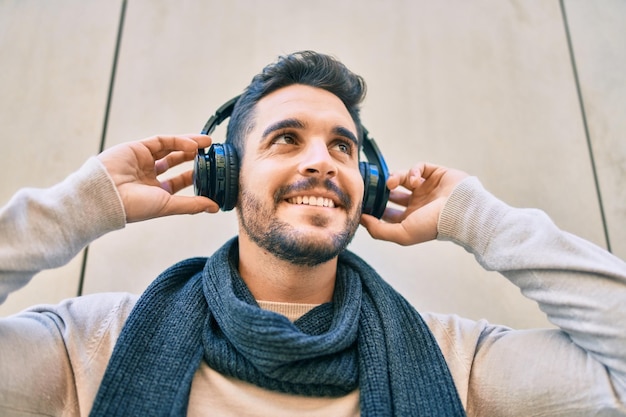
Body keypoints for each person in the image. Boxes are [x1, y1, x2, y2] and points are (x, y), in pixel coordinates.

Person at [1, 51, 625, 417]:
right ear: (225, 174)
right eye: (286, 139)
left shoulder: (458, 361)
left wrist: (477, 218)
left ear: (369, 185)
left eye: (342, 146)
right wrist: (80, 206)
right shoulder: (90, 347)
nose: (322, 161)